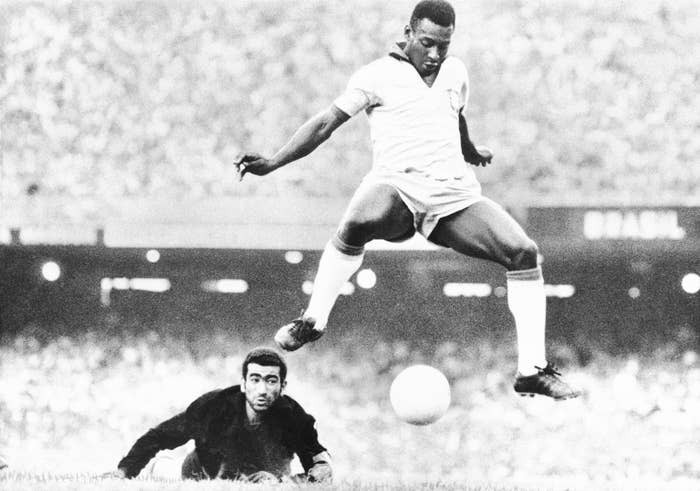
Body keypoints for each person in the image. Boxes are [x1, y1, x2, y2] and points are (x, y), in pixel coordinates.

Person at [234, 0, 579, 400]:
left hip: (452, 197)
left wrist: (469, 149)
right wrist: (274, 162)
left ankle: (531, 370)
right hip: (396, 188)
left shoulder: (455, 71)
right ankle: (313, 320)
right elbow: (326, 123)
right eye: (428, 43)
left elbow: (456, 113)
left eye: (443, 46)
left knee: (524, 252)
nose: (435, 55)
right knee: (356, 223)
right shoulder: (376, 76)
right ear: (409, 32)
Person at [110, 347, 332, 482]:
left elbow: (319, 463)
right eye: (255, 379)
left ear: (283, 385)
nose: (262, 389)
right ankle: (162, 466)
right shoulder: (215, 406)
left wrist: (301, 477)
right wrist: (124, 471)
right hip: (201, 472)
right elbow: (160, 436)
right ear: (243, 384)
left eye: (271, 380)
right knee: (168, 471)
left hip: (263, 477)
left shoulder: (294, 417)